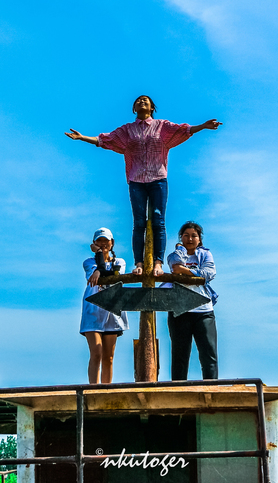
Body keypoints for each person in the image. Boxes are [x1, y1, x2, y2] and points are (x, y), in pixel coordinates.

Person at [66, 95, 221, 276]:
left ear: (152, 107)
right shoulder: (127, 130)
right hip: (136, 180)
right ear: (134, 108)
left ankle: (157, 262)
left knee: (159, 222)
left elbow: (182, 130)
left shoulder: (162, 126)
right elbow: (105, 140)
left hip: (158, 179)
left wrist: (202, 126)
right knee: (139, 223)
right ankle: (139, 262)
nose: (142, 102)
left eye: (145, 101)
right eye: (138, 101)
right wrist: (82, 137)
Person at [163, 221, 218, 380]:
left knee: (209, 354)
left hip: (204, 310)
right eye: (186, 235)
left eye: (194, 236)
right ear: (181, 238)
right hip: (179, 309)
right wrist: (181, 251)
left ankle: (212, 389)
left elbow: (208, 274)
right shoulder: (175, 255)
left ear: (199, 239)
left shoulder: (206, 254)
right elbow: (175, 266)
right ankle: (178, 390)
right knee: (179, 354)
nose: (190, 239)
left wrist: (185, 271)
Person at [80, 227, 129, 384]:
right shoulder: (88, 262)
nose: (102, 244)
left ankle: (106, 389)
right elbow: (97, 276)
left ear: (112, 243)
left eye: (105, 241)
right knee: (96, 353)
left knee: (108, 356)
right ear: (94, 243)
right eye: (99, 241)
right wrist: (99, 257)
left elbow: (112, 277)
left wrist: (100, 272)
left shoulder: (119, 262)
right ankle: (93, 389)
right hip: (93, 310)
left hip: (112, 311)